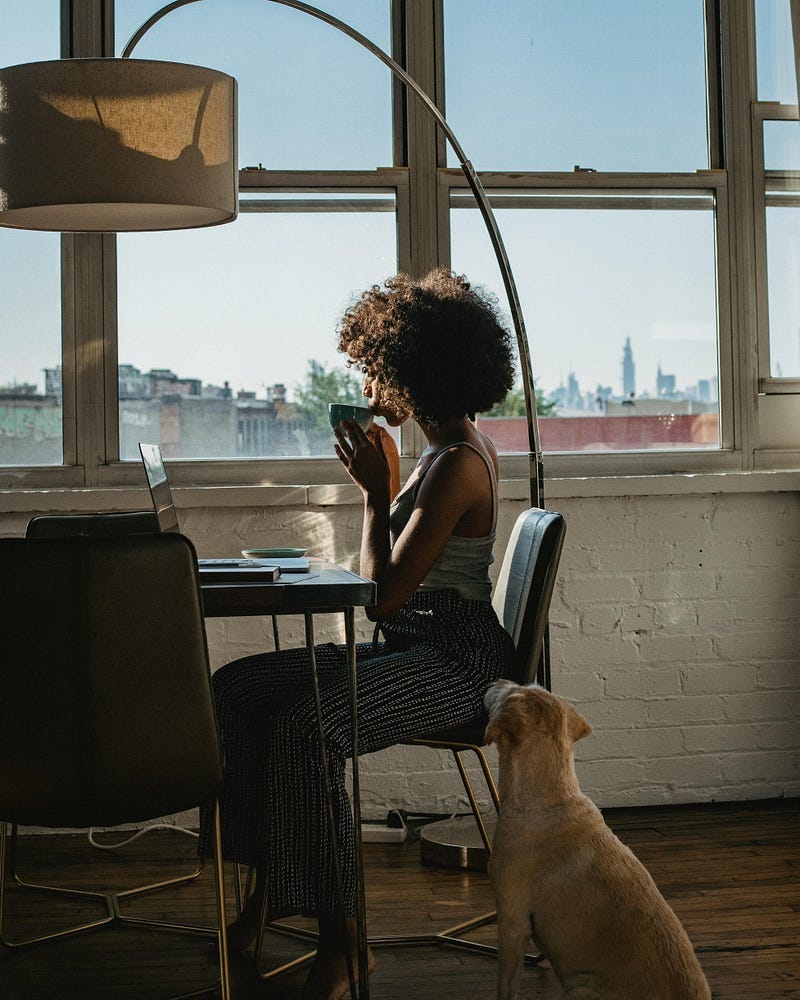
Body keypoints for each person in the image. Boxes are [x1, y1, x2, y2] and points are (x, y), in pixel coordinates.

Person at [202, 269, 517, 1000]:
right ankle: (271, 894)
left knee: (308, 728)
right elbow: (387, 589)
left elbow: (384, 596)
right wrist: (384, 489)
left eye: (377, 368)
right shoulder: (439, 454)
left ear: (415, 374)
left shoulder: (460, 465)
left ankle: (346, 942)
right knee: (236, 689)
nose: (369, 380)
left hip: (456, 661)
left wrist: (375, 498)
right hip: (417, 644)